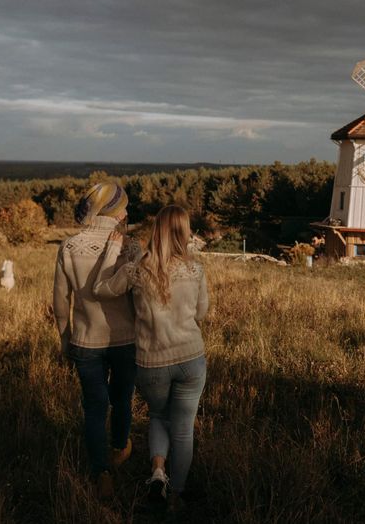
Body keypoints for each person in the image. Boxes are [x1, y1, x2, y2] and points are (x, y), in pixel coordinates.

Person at [93, 205, 208, 514]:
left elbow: (101, 289)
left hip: (152, 361)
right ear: (184, 231)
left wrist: (111, 253)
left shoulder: (136, 269)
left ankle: (158, 473)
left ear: (156, 230)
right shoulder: (195, 269)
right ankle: (176, 496)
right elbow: (201, 313)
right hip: (191, 358)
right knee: (183, 429)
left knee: (159, 417)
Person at [52, 181, 139, 498]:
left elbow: (61, 302)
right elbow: (140, 300)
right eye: (125, 206)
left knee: (93, 408)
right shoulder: (130, 247)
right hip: (125, 340)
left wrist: (65, 340)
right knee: (121, 400)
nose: (128, 211)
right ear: (115, 212)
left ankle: (101, 472)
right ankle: (119, 449)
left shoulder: (69, 247)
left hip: (85, 342)